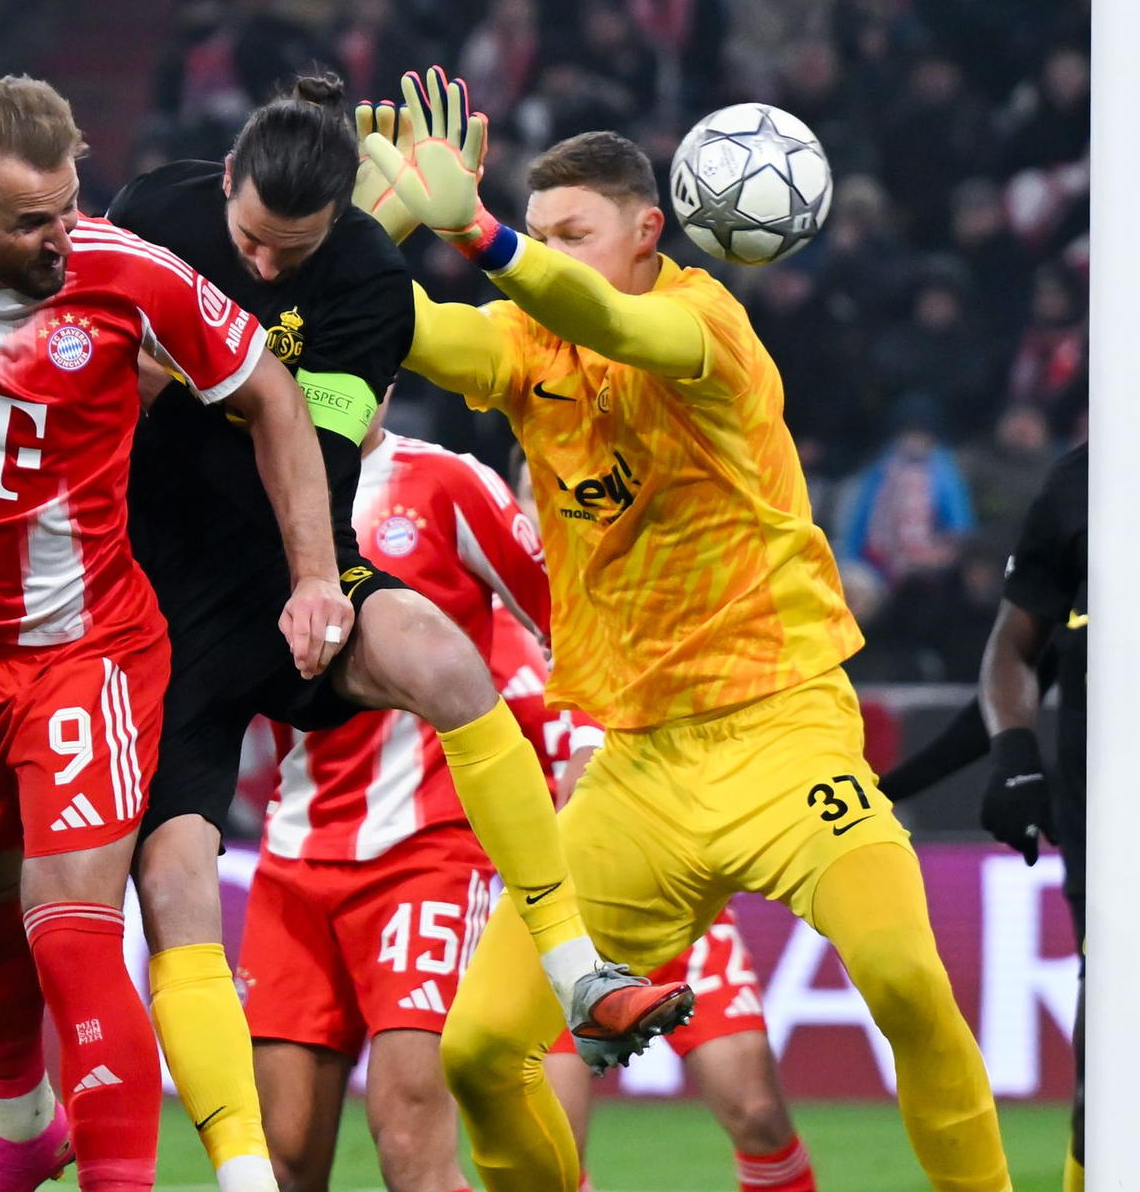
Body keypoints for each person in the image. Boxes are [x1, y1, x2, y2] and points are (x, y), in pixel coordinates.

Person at [362, 67, 1011, 1191]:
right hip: (639, 773)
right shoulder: (522, 348)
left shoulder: (706, 321)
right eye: (542, 230)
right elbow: (404, 332)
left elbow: (609, 316)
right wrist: (368, 236)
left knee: (907, 977)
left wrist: (476, 227)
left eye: (575, 231)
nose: (552, 252)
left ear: (649, 231)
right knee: (475, 1051)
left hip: (784, 732)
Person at [107, 71, 688, 1192]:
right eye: (252, 244)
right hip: (152, 599)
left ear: (340, 221)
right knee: (173, 878)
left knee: (441, 657)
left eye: (296, 250)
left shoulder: (368, 279)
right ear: (222, 183)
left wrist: (319, 583)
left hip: (286, 573)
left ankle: (570, 961)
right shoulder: (152, 214)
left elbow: (317, 448)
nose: (269, 268)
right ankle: (236, 1176)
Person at [0, 76, 347, 1192]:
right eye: (31, 223)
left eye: (69, 205)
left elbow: (272, 393)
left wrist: (315, 576)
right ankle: (24, 1124)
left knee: (68, 926)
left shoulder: (125, 273)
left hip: (88, 646)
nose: (63, 236)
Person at [238, 397, 558, 1192]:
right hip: (293, 858)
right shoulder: (248, 491)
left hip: (428, 852)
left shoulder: (448, 482)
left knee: (411, 1143)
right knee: (282, 1155)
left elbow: (567, 614)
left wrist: (586, 742)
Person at [504, 455, 817, 1192]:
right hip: (554, 920)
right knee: (554, 1151)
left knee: (758, 1111)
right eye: (531, 489)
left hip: (672, 895)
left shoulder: (637, 606)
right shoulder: (483, 618)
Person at [880, 442, 1086, 1192]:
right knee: (1103, 1089)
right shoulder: (1079, 483)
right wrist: (1012, 755)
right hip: (1101, 836)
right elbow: (1022, 651)